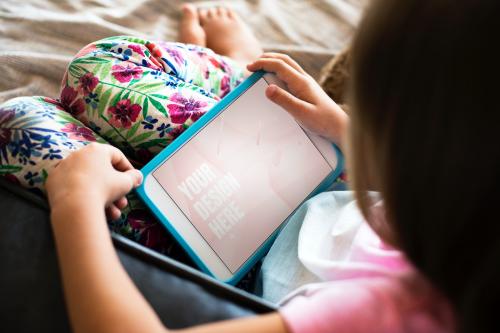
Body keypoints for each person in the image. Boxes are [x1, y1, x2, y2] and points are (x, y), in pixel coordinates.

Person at [3, 0, 500, 332]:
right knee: (95, 73)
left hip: (234, 267)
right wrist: (344, 130)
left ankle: (235, 80)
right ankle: (241, 72)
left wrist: (76, 207)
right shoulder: (465, 207)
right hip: (329, 180)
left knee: (20, 125)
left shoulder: (385, 313)